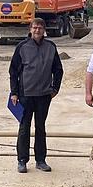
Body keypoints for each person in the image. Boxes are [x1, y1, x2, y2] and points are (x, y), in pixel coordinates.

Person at [9, 18, 63, 173]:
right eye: (35, 28)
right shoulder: (22, 47)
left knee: (40, 127)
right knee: (24, 127)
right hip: (26, 94)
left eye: (40, 28)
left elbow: (58, 70)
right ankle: (22, 160)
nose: (37, 30)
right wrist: (14, 92)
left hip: (44, 95)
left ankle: (41, 160)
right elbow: (13, 71)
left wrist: (55, 88)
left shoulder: (51, 47)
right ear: (30, 29)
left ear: (44, 29)